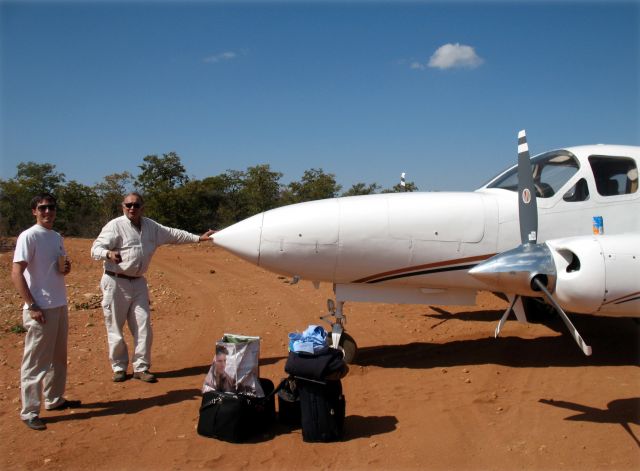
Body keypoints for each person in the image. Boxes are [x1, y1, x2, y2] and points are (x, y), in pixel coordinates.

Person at [91, 192, 214, 383]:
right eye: (128, 205)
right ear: (122, 206)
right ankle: (119, 367)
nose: (132, 208)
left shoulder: (151, 226)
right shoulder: (115, 226)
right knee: (115, 326)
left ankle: (141, 367)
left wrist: (198, 238)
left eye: (136, 205)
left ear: (142, 207)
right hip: (115, 281)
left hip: (138, 282)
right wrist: (108, 254)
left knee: (143, 325)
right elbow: (95, 249)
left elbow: (174, 234)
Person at [11, 193, 81, 431]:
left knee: (58, 359)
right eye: (42, 208)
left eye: (51, 207)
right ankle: (29, 411)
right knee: (35, 362)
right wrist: (32, 306)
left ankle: (54, 399)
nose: (47, 211)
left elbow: (55, 268)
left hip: (59, 304)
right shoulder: (28, 236)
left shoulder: (56, 236)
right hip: (40, 308)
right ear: (34, 211)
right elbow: (16, 273)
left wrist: (66, 268)